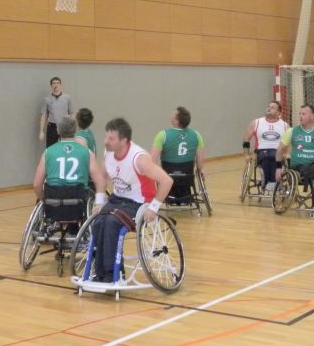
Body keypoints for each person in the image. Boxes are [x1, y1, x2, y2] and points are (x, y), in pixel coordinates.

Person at [91, 118, 173, 283]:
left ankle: (113, 274)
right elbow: (102, 177)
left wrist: (154, 208)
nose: (106, 141)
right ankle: (101, 271)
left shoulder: (139, 159)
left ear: (124, 141)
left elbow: (166, 181)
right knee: (98, 221)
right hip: (118, 199)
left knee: (112, 222)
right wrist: (99, 201)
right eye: (106, 137)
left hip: (140, 202)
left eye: (111, 139)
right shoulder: (108, 153)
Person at [32, 116, 107, 221]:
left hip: (54, 197)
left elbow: (37, 184)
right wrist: (99, 203)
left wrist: (43, 198)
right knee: (93, 193)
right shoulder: (87, 152)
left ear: (58, 130)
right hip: (78, 198)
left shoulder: (48, 152)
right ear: (75, 130)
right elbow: (100, 181)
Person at [276, 104, 314, 209]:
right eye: (300, 114)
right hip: (298, 167)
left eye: (303, 114)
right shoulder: (292, 131)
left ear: (312, 116)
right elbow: (280, 149)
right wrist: (278, 168)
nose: (300, 116)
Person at [150, 106, 206, 203]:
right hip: (187, 177)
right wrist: (201, 170)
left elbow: (153, 160)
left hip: (168, 177)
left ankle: (164, 197)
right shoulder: (196, 135)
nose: (171, 116)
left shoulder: (162, 135)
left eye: (173, 115)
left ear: (176, 121)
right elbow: (200, 162)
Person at [243, 101, 289, 192]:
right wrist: (246, 155)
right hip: (262, 151)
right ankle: (270, 182)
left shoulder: (285, 126)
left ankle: (272, 182)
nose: (269, 108)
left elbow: (290, 142)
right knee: (268, 155)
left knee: (275, 155)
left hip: (278, 152)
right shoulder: (256, 123)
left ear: (278, 113)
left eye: (272, 107)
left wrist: (288, 154)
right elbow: (246, 139)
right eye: (268, 106)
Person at [39, 76, 73, 148]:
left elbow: (71, 114)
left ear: (61, 85)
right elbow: (44, 115)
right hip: (52, 127)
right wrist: (41, 131)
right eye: (54, 83)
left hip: (64, 126)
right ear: (51, 85)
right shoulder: (47, 99)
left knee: (65, 147)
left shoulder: (67, 98)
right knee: (50, 148)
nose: (56, 85)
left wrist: (71, 128)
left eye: (58, 83)